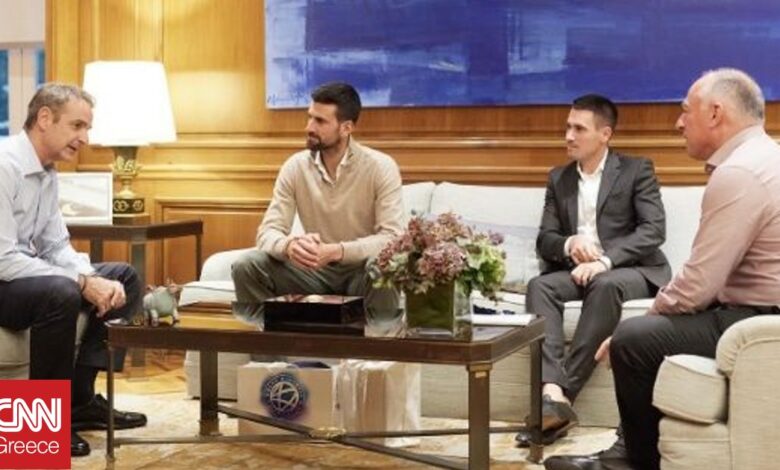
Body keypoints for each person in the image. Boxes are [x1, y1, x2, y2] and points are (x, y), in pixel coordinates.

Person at [544, 69, 780, 470]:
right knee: (640, 329)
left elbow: (698, 284)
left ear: (715, 113)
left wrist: (643, 320)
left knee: (633, 338)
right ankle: (625, 447)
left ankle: (633, 461)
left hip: (755, 321)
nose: (678, 123)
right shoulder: (764, 156)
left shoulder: (739, 172)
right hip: (752, 313)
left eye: (686, 111)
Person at [0, 83, 148, 457]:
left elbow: (55, 246)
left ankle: (79, 403)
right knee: (61, 291)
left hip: (19, 276)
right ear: (44, 118)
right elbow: (3, 258)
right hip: (3, 275)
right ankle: (35, 429)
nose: (85, 138)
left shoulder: (46, 172)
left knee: (123, 276)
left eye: (87, 128)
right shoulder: (4, 166)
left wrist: (93, 279)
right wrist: (81, 282)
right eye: (77, 126)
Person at [515, 94, 670, 447]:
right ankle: (552, 393)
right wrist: (570, 243)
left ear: (605, 134)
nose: (568, 136)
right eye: (567, 127)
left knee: (605, 284)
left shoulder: (636, 170)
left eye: (579, 129)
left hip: (631, 271)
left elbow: (653, 230)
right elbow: (546, 239)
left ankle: (560, 399)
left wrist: (604, 261)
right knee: (540, 286)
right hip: (578, 272)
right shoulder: (559, 178)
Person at [231, 82, 404, 328]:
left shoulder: (381, 167)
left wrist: (336, 251)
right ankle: (276, 346)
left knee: (384, 267)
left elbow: (392, 239)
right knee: (246, 266)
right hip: (311, 273)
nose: (309, 127)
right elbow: (267, 232)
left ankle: (374, 351)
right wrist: (289, 246)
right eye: (310, 117)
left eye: (320, 121)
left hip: (360, 272)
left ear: (346, 128)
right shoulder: (295, 166)